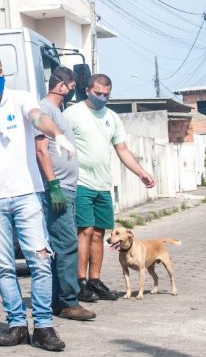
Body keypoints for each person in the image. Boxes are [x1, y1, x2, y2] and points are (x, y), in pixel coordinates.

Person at [0, 50, 76, 352]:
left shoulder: (22, 98)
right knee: (3, 266)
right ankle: (15, 324)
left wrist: (58, 135)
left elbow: (37, 118)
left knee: (40, 261)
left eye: (0, 72)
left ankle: (44, 326)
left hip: (26, 194)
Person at [63, 73, 156, 303]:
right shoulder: (72, 114)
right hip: (80, 182)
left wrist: (141, 172)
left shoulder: (112, 117)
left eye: (106, 95)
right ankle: (80, 282)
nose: (102, 98)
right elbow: (57, 144)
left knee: (99, 234)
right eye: (98, 94)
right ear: (87, 90)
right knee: (84, 231)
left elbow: (122, 149)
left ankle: (95, 280)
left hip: (103, 184)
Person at [35, 67, 96, 321]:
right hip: (57, 190)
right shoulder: (44, 110)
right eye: (72, 87)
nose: (73, 91)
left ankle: (59, 300)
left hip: (67, 188)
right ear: (61, 85)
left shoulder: (57, 112)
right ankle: (69, 301)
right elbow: (41, 150)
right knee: (66, 243)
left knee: (62, 244)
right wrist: (54, 185)